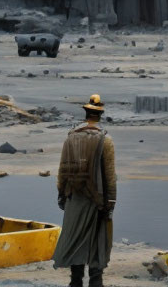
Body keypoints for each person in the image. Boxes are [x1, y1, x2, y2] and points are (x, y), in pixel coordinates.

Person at [52, 93, 117, 287]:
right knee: (98, 242)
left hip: (73, 197)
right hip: (97, 200)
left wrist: (61, 194)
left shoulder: (71, 137)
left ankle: (76, 281)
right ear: (100, 115)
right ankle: (96, 282)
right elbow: (110, 176)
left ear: (86, 113)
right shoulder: (105, 140)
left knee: (75, 240)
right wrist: (111, 201)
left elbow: (62, 169)